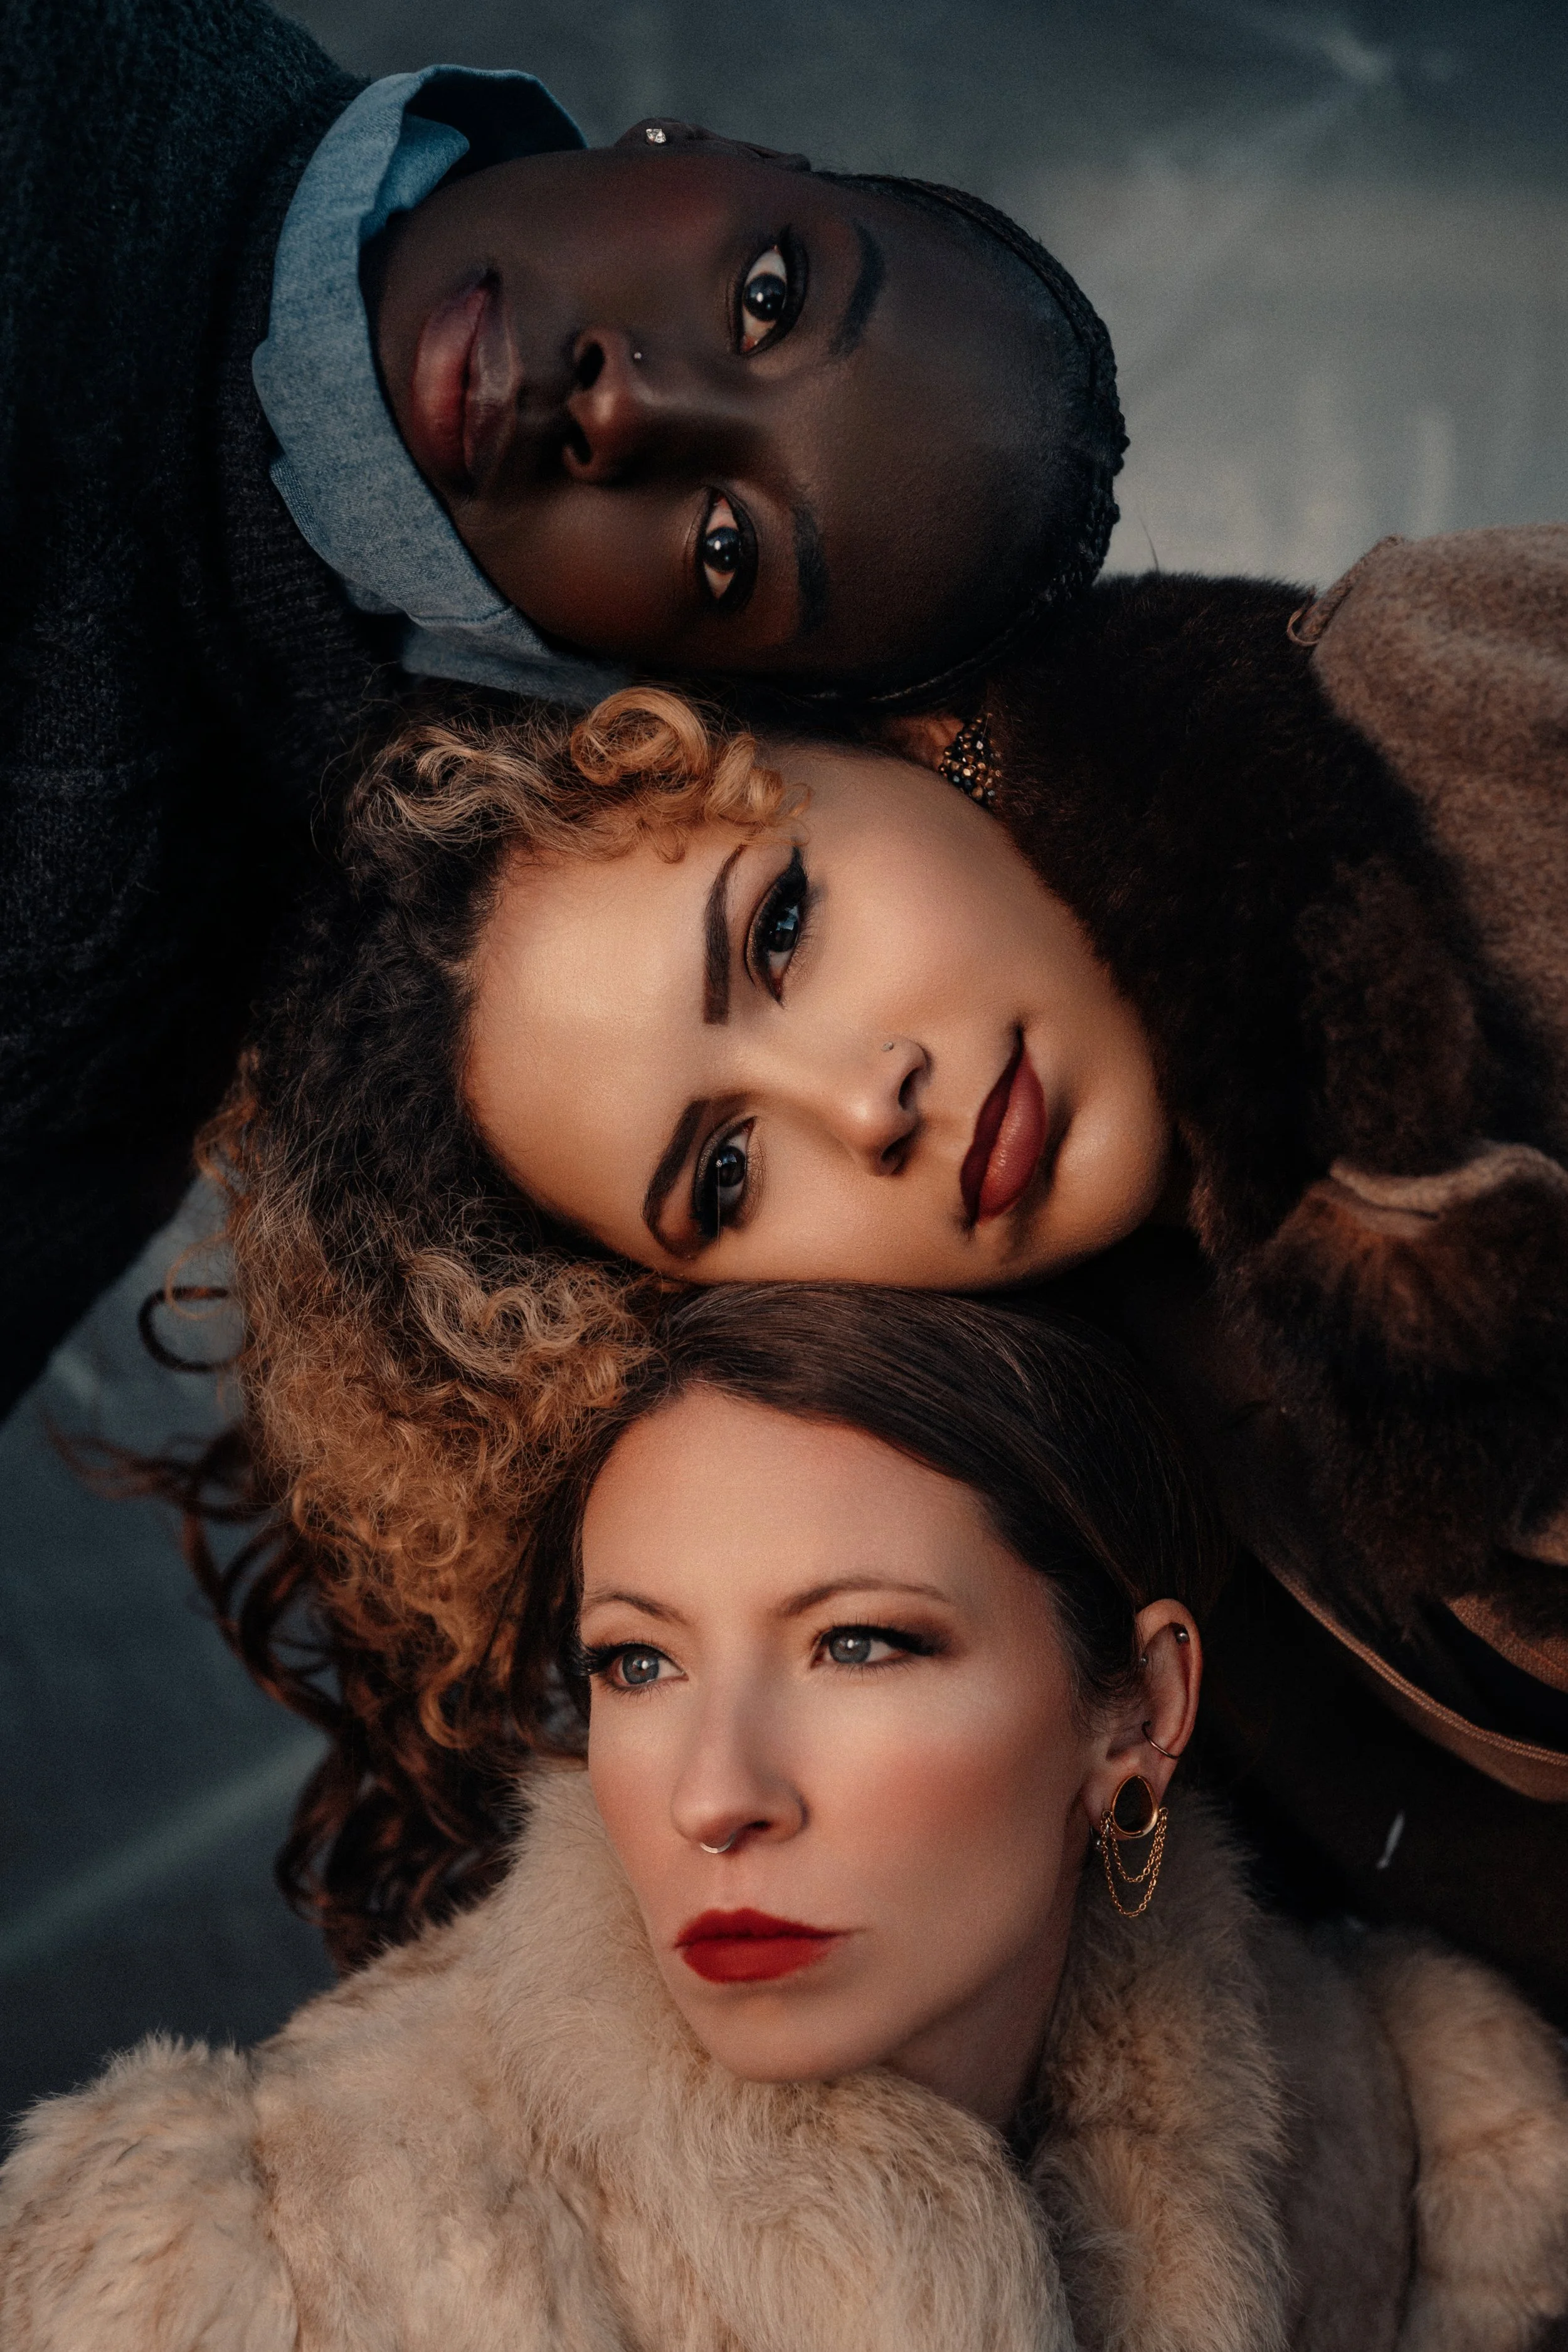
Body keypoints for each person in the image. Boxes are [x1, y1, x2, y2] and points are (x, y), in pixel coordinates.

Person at [186, 523, 1568, 2015]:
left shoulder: (1443, 700)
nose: (865, 1105)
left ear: (907, 738)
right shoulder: (1130, 1523)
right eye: (723, 1175)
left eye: (779, 930)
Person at [6, 1286, 1565, 2351]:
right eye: (634, 1661)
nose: (713, 1795)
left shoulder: (1436, 2148)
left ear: (1135, 1712)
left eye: (857, 1643)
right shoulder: (233, 2259)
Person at [0, 0, 1121, 1421]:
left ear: (678, 694)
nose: (624, 400)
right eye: (767, 295)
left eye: (725, 549)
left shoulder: (139, 939)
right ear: (718, 147)